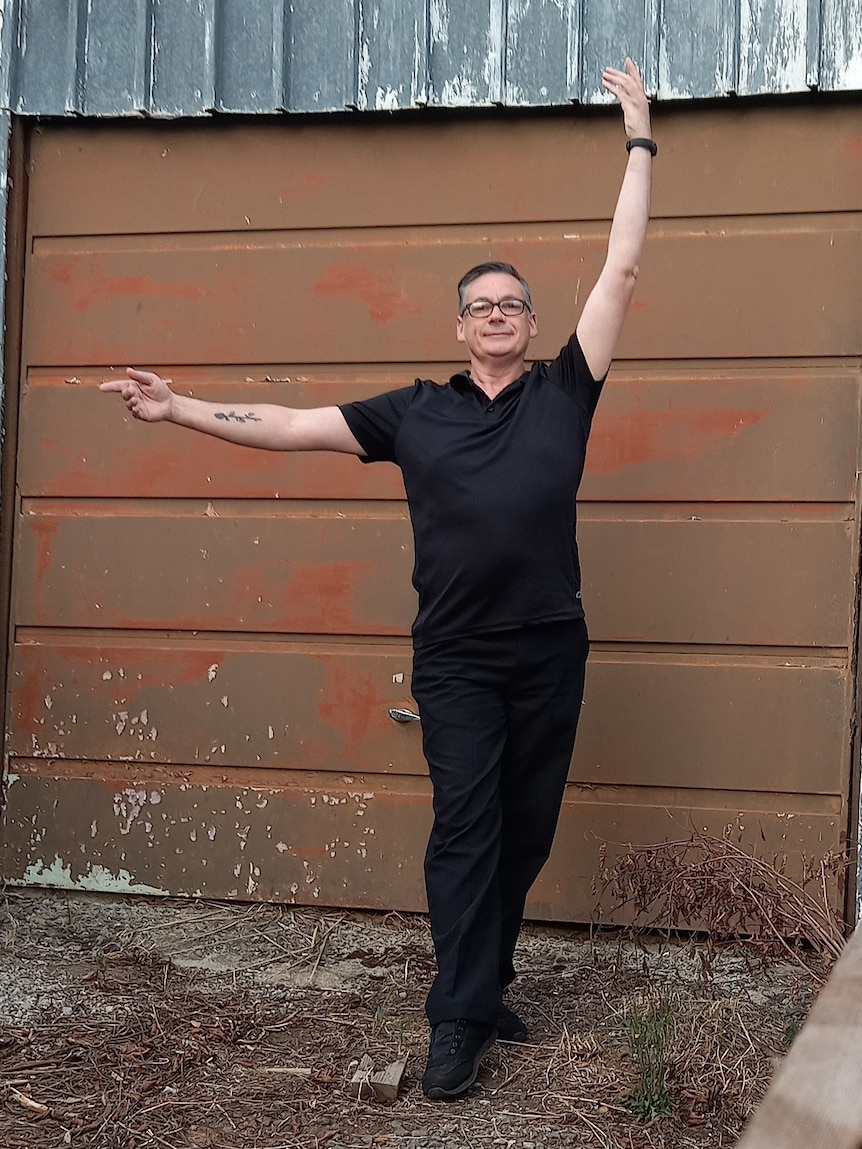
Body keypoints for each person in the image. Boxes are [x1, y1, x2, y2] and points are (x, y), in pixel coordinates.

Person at [101, 57, 653, 1101]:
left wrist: (637, 135)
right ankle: (457, 1021)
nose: (498, 315)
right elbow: (291, 425)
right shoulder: (414, 413)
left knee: (526, 828)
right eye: (480, 305)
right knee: (466, 825)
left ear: (534, 326)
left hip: (549, 644)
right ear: (457, 326)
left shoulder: (565, 393)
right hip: (455, 655)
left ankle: (486, 978)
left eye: (514, 304)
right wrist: (178, 410)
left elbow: (620, 269)